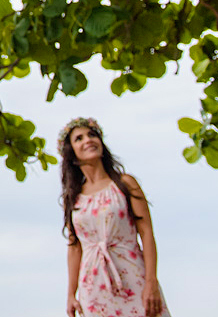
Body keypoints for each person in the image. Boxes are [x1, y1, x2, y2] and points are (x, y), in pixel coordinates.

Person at [59, 117, 171, 317]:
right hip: (93, 287)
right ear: (71, 154)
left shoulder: (125, 184)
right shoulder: (74, 199)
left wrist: (151, 281)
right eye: (79, 138)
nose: (88, 140)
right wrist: (70, 294)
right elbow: (74, 247)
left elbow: (146, 233)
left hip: (133, 276)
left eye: (92, 135)